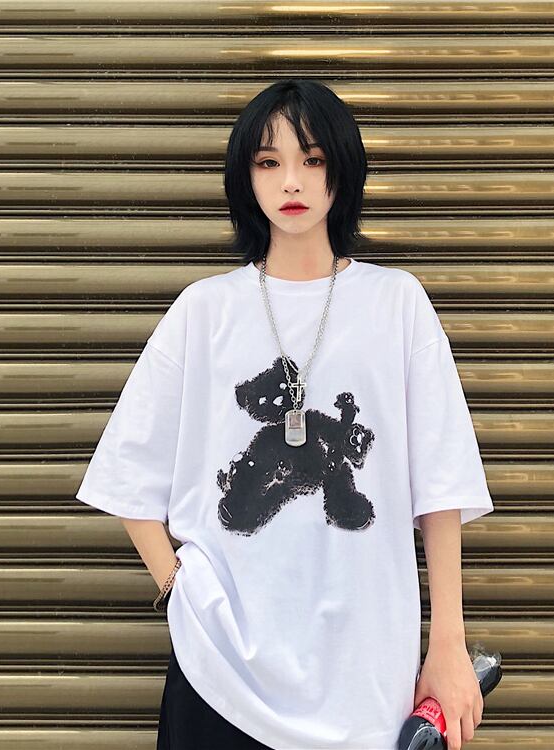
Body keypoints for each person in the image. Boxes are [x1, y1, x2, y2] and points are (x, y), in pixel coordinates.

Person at [75, 78, 494, 750]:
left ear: (342, 170)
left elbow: (441, 485)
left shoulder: (396, 303)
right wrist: (179, 588)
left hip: (361, 674)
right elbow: (128, 474)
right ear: (246, 178)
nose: (291, 181)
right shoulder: (205, 310)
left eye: (312, 159)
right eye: (268, 162)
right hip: (220, 669)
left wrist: (447, 643)